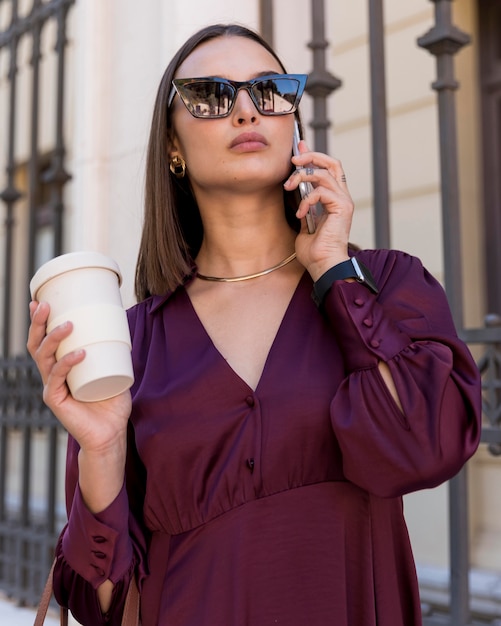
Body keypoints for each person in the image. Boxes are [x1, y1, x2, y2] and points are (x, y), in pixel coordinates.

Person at [27, 22, 482, 626]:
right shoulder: (133, 343)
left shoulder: (388, 285)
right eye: (212, 95)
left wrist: (334, 274)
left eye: (269, 90)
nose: (246, 109)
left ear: (292, 121)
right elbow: (100, 605)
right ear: (173, 146)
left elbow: (425, 447)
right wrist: (103, 447)